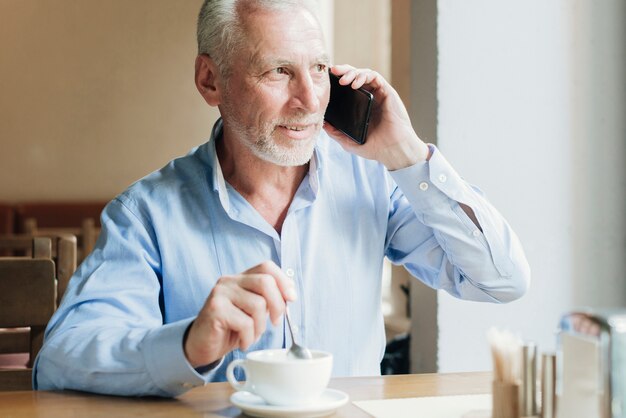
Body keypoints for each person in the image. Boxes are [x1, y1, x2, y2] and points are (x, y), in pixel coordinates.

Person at [34, 0, 530, 397]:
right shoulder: (147, 213)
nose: (311, 101)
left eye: (317, 68)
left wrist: (407, 155)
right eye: (278, 72)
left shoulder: (375, 182)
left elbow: (501, 280)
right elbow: (60, 359)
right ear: (211, 81)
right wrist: (187, 344)